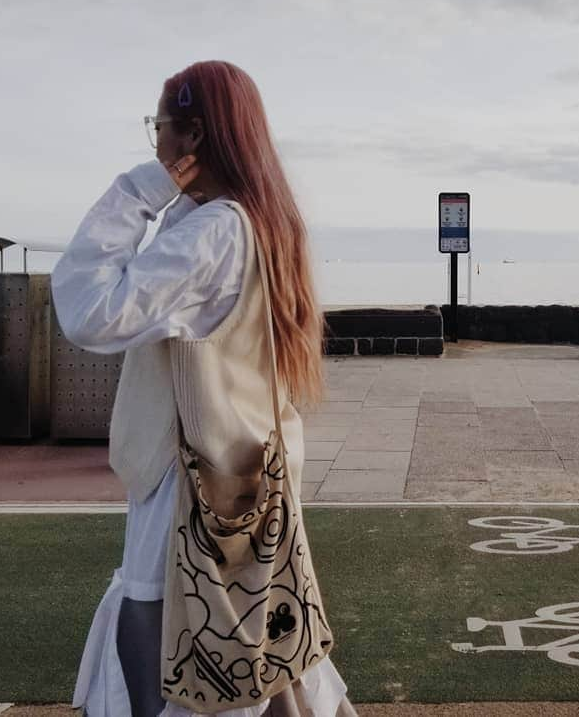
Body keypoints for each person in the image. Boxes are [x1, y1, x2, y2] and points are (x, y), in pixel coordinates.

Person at [52, 61, 356, 717]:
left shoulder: (213, 233)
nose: (153, 141)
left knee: (184, 666)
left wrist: (139, 193)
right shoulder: (262, 223)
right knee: (256, 655)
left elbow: (89, 309)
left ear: (189, 136)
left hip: (189, 498)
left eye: (157, 127)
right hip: (248, 481)